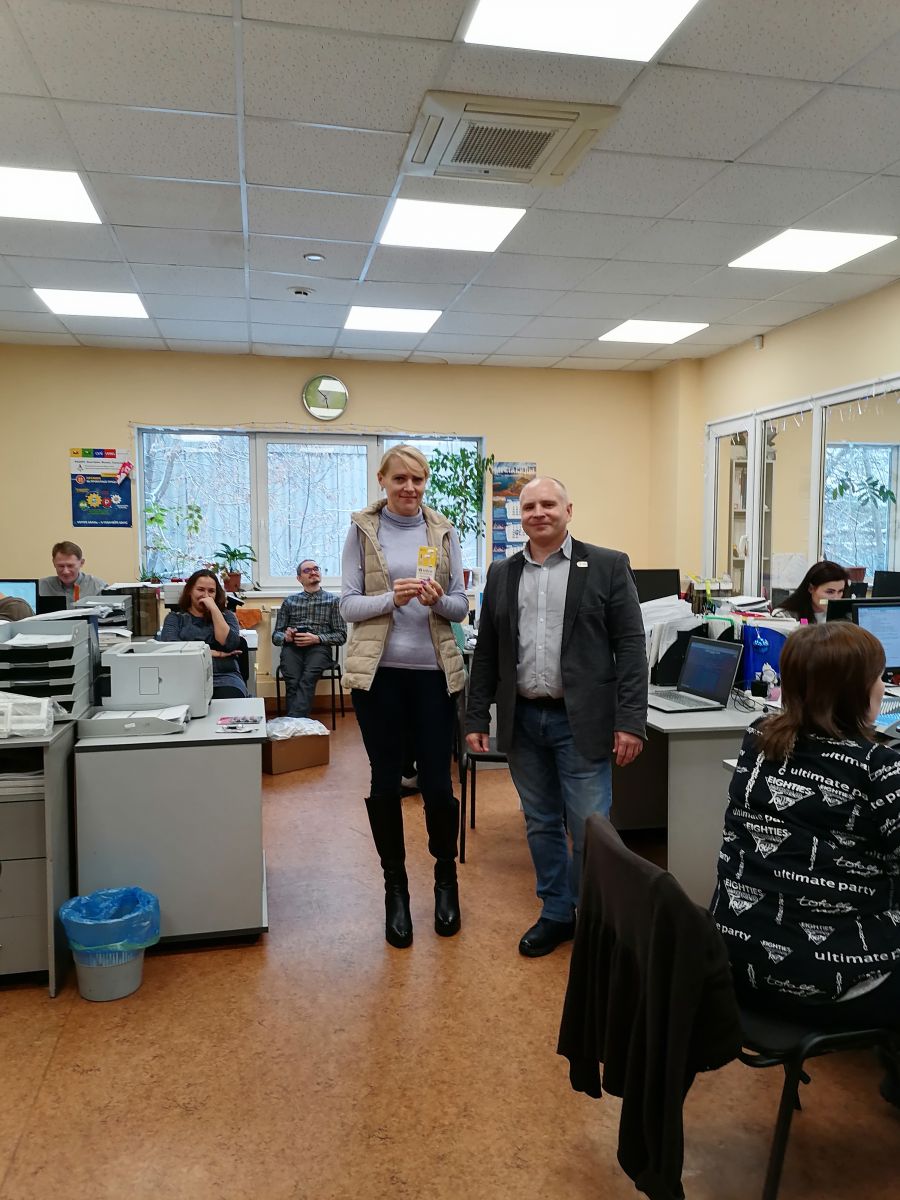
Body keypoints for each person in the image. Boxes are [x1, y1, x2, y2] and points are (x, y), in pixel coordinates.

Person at [712, 622, 900, 1099]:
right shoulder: (879, 769)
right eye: (879, 678)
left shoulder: (758, 740)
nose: (884, 688)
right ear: (856, 692)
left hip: (735, 965)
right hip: (819, 984)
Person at [466, 477, 648, 958]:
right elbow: (487, 652)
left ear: (569, 510)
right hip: (523, 720)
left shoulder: (607, 565)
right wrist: (475, 717)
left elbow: (631, 648)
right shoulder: (501, 574)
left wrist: (631, 720)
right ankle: (556, 912)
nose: (539, 512)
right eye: (529, 506)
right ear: (519, 515)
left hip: (582, 722)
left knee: (590, 827)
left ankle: (596, 916)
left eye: (549, 504)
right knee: (541, 822)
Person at [340, 444, 468, 949]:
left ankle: (445, 878)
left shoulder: (443, 531)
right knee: (385, 782)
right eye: (400, 479)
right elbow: (348, 606)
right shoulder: (361, 530)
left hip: (433, 676)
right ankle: (395, 888)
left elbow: (461, 606)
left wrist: (440, 601)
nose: (409, 487)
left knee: (437, 784)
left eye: (417, 479)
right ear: (383, 480)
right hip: (380, 677)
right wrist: (390, 598)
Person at [272, 559, 346, 718]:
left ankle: (293, 722)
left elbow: (341, 636)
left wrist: (317, 638)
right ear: (299, 578)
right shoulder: (289, 601)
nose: (313, 572)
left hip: (319, 648)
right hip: (293, 647)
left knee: (308, 678)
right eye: (307, 570)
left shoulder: (333, 601)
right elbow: (276, 636)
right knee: (293, 680)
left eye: (316, 568)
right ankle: (299, 723)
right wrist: (286, 637)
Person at [158, 569, 248, 699]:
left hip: (224, 677)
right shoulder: (175, 618)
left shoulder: (227, 616)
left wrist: (214, 609)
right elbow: (172, 649)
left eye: (211, 591)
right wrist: (216, 653)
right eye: (200, 590)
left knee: (230, 700)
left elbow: (229, 644)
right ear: (190, 591)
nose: (206, 595)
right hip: (185, 677)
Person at [771, 559, 849, 622]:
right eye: (829, 592)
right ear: (811, 588)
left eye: (840, 591)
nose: (836, 598)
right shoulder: (785, 616)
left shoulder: (846, 616)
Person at [38, 540, 106, 602]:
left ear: (81, 563)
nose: (65, 571)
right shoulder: (40, 587)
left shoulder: (98, 587)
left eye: (70, 566)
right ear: (54, 563)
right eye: (61, 566)